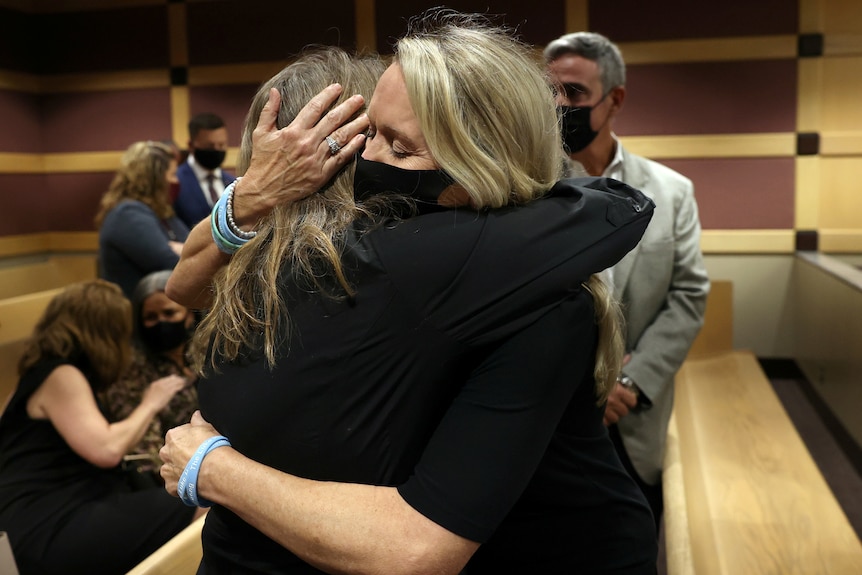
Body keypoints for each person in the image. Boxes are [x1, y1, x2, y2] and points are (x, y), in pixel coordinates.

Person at [162, 15, 657, 575]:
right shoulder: (364, 255)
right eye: (369, 133)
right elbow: (188, 286)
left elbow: (416, 546)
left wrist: (210, 466)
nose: (366, 164)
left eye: (400, 148)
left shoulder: (524, 292)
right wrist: (251, 196)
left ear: (480, 167)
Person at [545, 31, 710, 528]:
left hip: (634, 416)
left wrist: (630, 381)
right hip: (549, 418)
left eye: (573, 93)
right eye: (549, 92)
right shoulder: (530, 189)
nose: (558, 105)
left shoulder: (672, 191)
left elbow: (688, 296)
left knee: (635, 535)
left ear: (614, 99)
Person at [0, 280, 202, 575]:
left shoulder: (38, 375)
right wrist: (151, 402)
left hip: (34, 518)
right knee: (204, 503)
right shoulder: (61, 374)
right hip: (46, 522)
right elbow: (107, 449)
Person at [101, 270, 199, 488]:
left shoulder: (204, 352)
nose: (161, 322)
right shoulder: (130, 368)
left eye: (169, 313)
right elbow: (145, 450)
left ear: (188, 315)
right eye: (151, 317)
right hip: (174, 477)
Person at [96, 140, 190, 299]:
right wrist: (181, 251)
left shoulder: (162, 212)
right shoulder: (127, 214)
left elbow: (193, 247)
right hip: (138, 316)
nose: (176, 181)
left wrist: (180, 249)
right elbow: (171, 264)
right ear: (154, 179)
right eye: (172, 174)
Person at [173, 112, 236, 228]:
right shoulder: (176, 181)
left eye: (221, 145)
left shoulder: (233, 183)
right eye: (210, 146)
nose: (217, 150)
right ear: (191, 145)